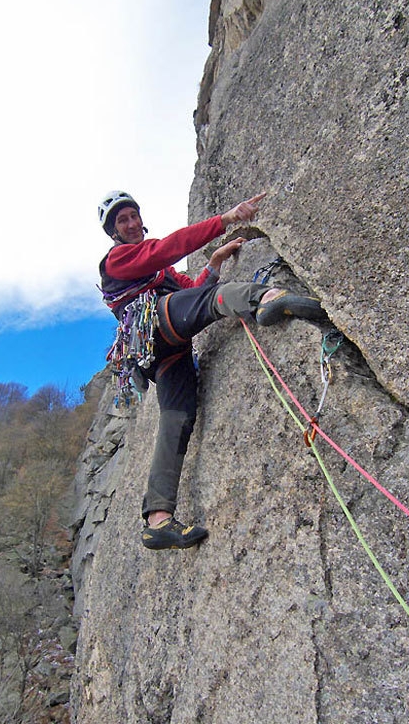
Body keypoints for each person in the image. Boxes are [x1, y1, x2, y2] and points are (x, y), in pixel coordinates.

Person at [98, 190, 325, 551]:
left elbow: (192, 289)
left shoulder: (160, 274)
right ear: (114, 233)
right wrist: (225, 219)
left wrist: (215, 262)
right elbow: (167, 252)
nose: (130, 224)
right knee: (209, 302)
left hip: (163, 352)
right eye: (121, 221)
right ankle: (266, 298)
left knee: (177, 418)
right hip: (154, 325)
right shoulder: (117, 260)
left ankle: (158, 520)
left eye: (132, 216)